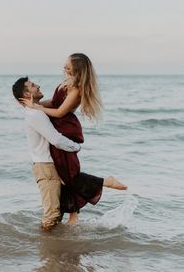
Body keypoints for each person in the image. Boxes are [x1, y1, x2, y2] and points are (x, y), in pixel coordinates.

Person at [20, 53, 127, 224]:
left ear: (76, 69)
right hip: (57, 124)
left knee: (68, 172)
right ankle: (73, 214)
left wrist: (36, 108)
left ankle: (106, 182)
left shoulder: (77, 88)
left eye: (67, 66)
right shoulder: (67, 82)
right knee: (63, 174)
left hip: (65, 126)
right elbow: (54, 103)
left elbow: (60, 112)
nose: (64, 68)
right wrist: (34, 105)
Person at [12, 76, 81, 231]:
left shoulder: (37, 111)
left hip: (50, 166)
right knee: (52, 215)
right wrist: (76, 147)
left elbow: (60, 107)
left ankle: (57, 250)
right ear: (27, 94)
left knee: (59, 212)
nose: (38, 86)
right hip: (46, 167)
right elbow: (56, 139)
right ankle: (46, 251)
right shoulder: (35, 114)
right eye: (33, 85)